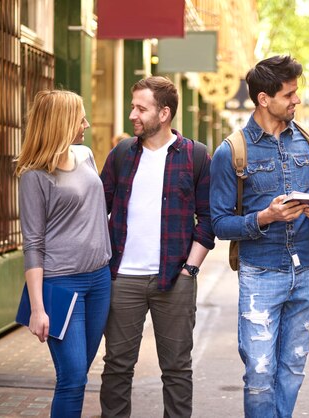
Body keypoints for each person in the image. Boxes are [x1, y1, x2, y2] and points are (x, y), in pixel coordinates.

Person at [209, 55, 309, 418]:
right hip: (261, 272)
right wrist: (264, 217)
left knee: (293, 368)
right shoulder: (231, 151)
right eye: (289, 94)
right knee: (260, 373)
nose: (296, 100)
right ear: (264, 99)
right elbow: (218, 224)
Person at [99, 76, 215, 418]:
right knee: (117, 367)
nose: (132, 115)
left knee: (177, 369)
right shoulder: (121, 154)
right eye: (133, 106)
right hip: (124, 279)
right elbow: (97, 209)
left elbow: (207, 219)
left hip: (175, 279)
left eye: (140, 108)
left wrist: (189, 270)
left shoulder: (195, 156)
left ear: (164, 114)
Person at [15, 90, 112, 417]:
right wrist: (38, 309)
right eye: (79, 118)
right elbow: (33, 243)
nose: (86, 123)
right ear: (60, 123)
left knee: (80, 374)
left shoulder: (85, 155)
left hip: (99, 279)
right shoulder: (33, 175)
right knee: (71, 378)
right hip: (61, 284)